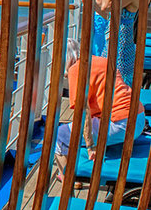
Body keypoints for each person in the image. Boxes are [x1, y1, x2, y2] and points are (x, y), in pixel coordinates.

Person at [54, 39, 144, 183]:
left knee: (59, 135)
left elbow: (83, 113)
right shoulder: (101, 61)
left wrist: (90, 146)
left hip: (122, 125)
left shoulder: (76, 70)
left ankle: (68, 179)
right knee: (74, 129)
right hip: (139, 118)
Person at [96, 0, 144, 85]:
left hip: (122, 43)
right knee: (107, 78)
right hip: (113, 40)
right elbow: (104, 9)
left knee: (119, 81)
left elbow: (106, 6)